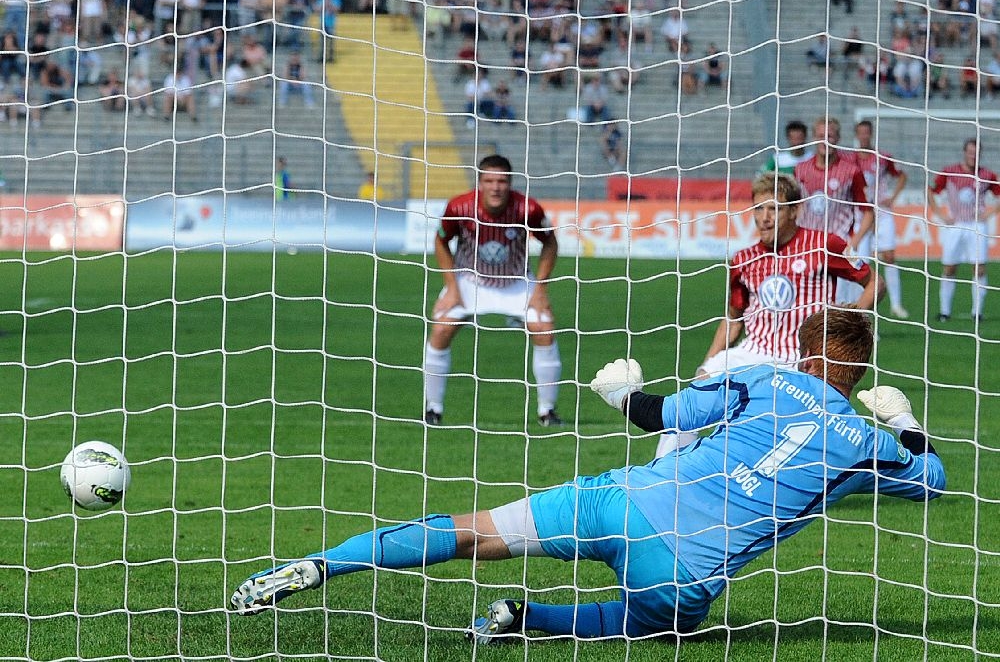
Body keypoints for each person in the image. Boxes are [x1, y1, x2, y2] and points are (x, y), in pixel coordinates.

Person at [230, 308, 945, 644]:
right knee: (649, 627)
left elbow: (661, 414)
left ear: (803, 351)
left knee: (472, 534)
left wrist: (620, 394)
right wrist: (906, 421)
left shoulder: (763, 378)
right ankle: (523, 621)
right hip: (681, 570)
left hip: (623, 502)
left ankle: (317, 565)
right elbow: (933, 478)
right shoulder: (865, 445)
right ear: (856, 373)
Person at [677, 172, 883, 456]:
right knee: (694, 394)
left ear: (795, 211)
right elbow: (734, 318)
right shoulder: (743, 259)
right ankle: (668, 469)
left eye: (774, 209)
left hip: (799, 359)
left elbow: (875, 283)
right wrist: (708, 362)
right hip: (753, 352)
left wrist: (846, 324)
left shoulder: (825, 245)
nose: (764, 218)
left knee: (788, 435)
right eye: (758, 208)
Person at [422, 154, 561, 426]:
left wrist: (540, 289)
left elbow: (550, 242)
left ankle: (547, 411)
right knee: (440, 330)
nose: (496, 187)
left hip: (515, 281)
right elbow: (440, 241)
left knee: (544, 330)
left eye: (502, 181)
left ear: (510, 183)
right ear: (480, 183)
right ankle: (433, 408)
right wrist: (451, 287)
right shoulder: (459, 206)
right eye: (489, 181)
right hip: (469, 281)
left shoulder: (528, 208)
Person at [794, 115, 874, 303]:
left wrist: (854, 243)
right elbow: (796, 206)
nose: (825, 141)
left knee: (843, 302)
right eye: (821, 136)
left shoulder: (851, 171)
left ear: (838, 138)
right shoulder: (801, 169)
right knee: (807, 301)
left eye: (830, 136)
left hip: (840, 246)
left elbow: (869, 212)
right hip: (808, 245)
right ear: (814, 138)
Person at [927, 139, 1000, 321]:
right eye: (970, 152)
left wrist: (989, 213)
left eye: (976, 153)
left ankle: (977, 312)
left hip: (977, 226)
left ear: (980, 154)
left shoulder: (987, 175)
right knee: (950, 267)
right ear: (964, 152)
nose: (973, 156)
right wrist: (940, 214)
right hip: (955, 225)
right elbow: (931, 190)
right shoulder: (949, 172)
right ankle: (945, 311)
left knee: (979, 268)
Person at [852, 120, 910, 319]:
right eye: (861, 133)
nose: (864, 136)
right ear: (856, 135)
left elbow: (902, 176)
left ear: (871, 134)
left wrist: (892, 197)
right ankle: (861, 308)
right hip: (861, 215)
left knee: (889, 257)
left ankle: (896, 304)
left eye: (867, 132)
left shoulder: (883, 158)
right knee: (861, 263)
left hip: (882, 213)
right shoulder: (850, 159)